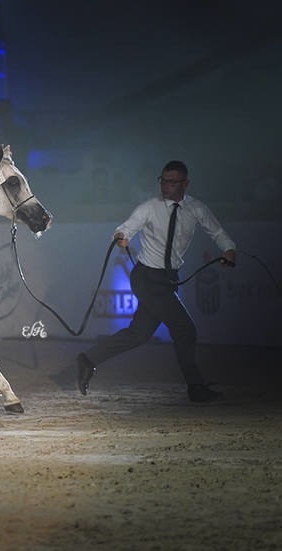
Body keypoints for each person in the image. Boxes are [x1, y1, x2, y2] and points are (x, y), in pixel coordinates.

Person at [75, 160, 236, 403]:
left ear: (185, 184)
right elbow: (126, 228)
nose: (166, 186)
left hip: (168, 279)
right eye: (163, 181)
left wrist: (229, 249)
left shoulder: (196, 208)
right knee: (185, 329)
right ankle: (195, 387)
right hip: (147, 278)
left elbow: (217, 232)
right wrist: (122, 236)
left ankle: (88, 360)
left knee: (139, 334)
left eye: (172, 182)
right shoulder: (149, 207)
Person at [0, 98, 34, 169]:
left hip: (17, 174)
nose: (1, 116)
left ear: (11, 113)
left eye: (4, 113)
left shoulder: (22, 133)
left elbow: (19, 154)